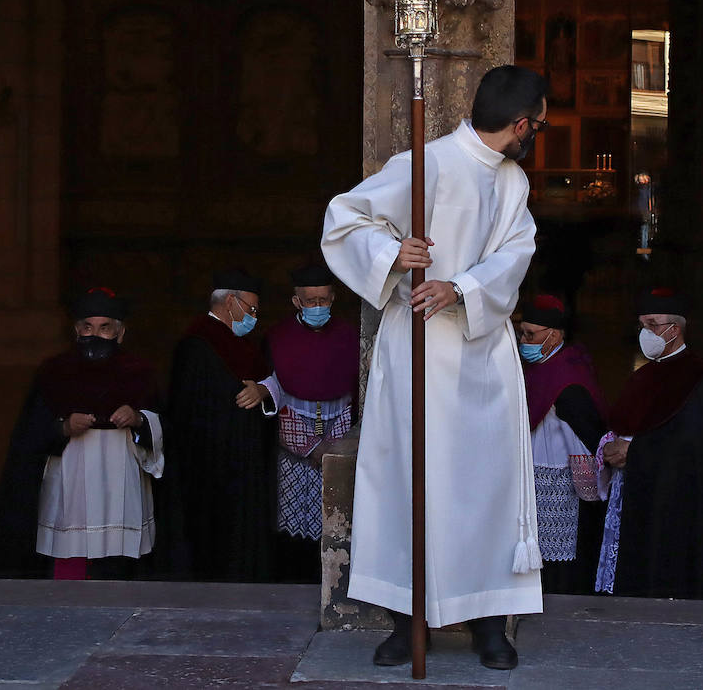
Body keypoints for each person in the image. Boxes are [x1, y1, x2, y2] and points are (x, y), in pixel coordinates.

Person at [322, 64, 547, 670]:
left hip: (482, 358)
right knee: (407, 484)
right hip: (416, 349)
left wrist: (463, 287)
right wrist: (394, 253)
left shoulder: (512, 183)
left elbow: (515, 254)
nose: (536, 134)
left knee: (483, 489)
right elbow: (344, 220)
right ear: (523, 123)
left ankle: (487, 621)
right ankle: (405, 619)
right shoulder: (426, 162)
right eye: (540, 124)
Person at [0, 286, 163, 580]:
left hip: (122, 480)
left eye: (105, 328)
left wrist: (138, 418)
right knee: (71, 556)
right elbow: (29, 434)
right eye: (88, 327)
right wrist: (63, 427)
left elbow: (169, 427)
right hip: (70, 480)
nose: (95, 335)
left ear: (120, 333)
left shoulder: (141, 372)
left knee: (119, 560)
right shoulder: (54, 372)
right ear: (76, 330)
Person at [595, 287, 703, 600]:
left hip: (679, 498)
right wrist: (611, 444)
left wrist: (635, 451)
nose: (646, 332)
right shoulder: (645, 374)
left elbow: (692, 445)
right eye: (642, 325)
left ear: (674, 329)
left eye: (652, 324)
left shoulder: (701, 381)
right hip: (638, 489)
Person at [235, 261, 359, 580]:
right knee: (293, 529)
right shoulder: (277, 338)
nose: (317, 307)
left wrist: (337, 444)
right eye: (310, 301)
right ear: (296, 302)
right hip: (292, 449)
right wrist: (311, 447)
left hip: (340, 438)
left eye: (323, 300)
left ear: (333, 298)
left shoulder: (350, 336)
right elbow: (272, 390)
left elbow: (356, 393)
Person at [165, 269, 276, 581]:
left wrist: (263, 391)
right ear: (231, 301)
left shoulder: (241, 344)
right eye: (250, 309)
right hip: (209, 466)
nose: (254, 316)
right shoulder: (197, 344)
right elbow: (189, 412)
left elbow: (267, 383)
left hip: (244, 461)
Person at [517, 294, 607, 595]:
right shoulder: (542, 366)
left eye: (530, 334)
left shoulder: (567, 377)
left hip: (561, 488)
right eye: (522, 332)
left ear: (553, 335)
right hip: (533, 478)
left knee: (559, 564)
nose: (523, 340)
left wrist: (588, 491)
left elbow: (586, 440)